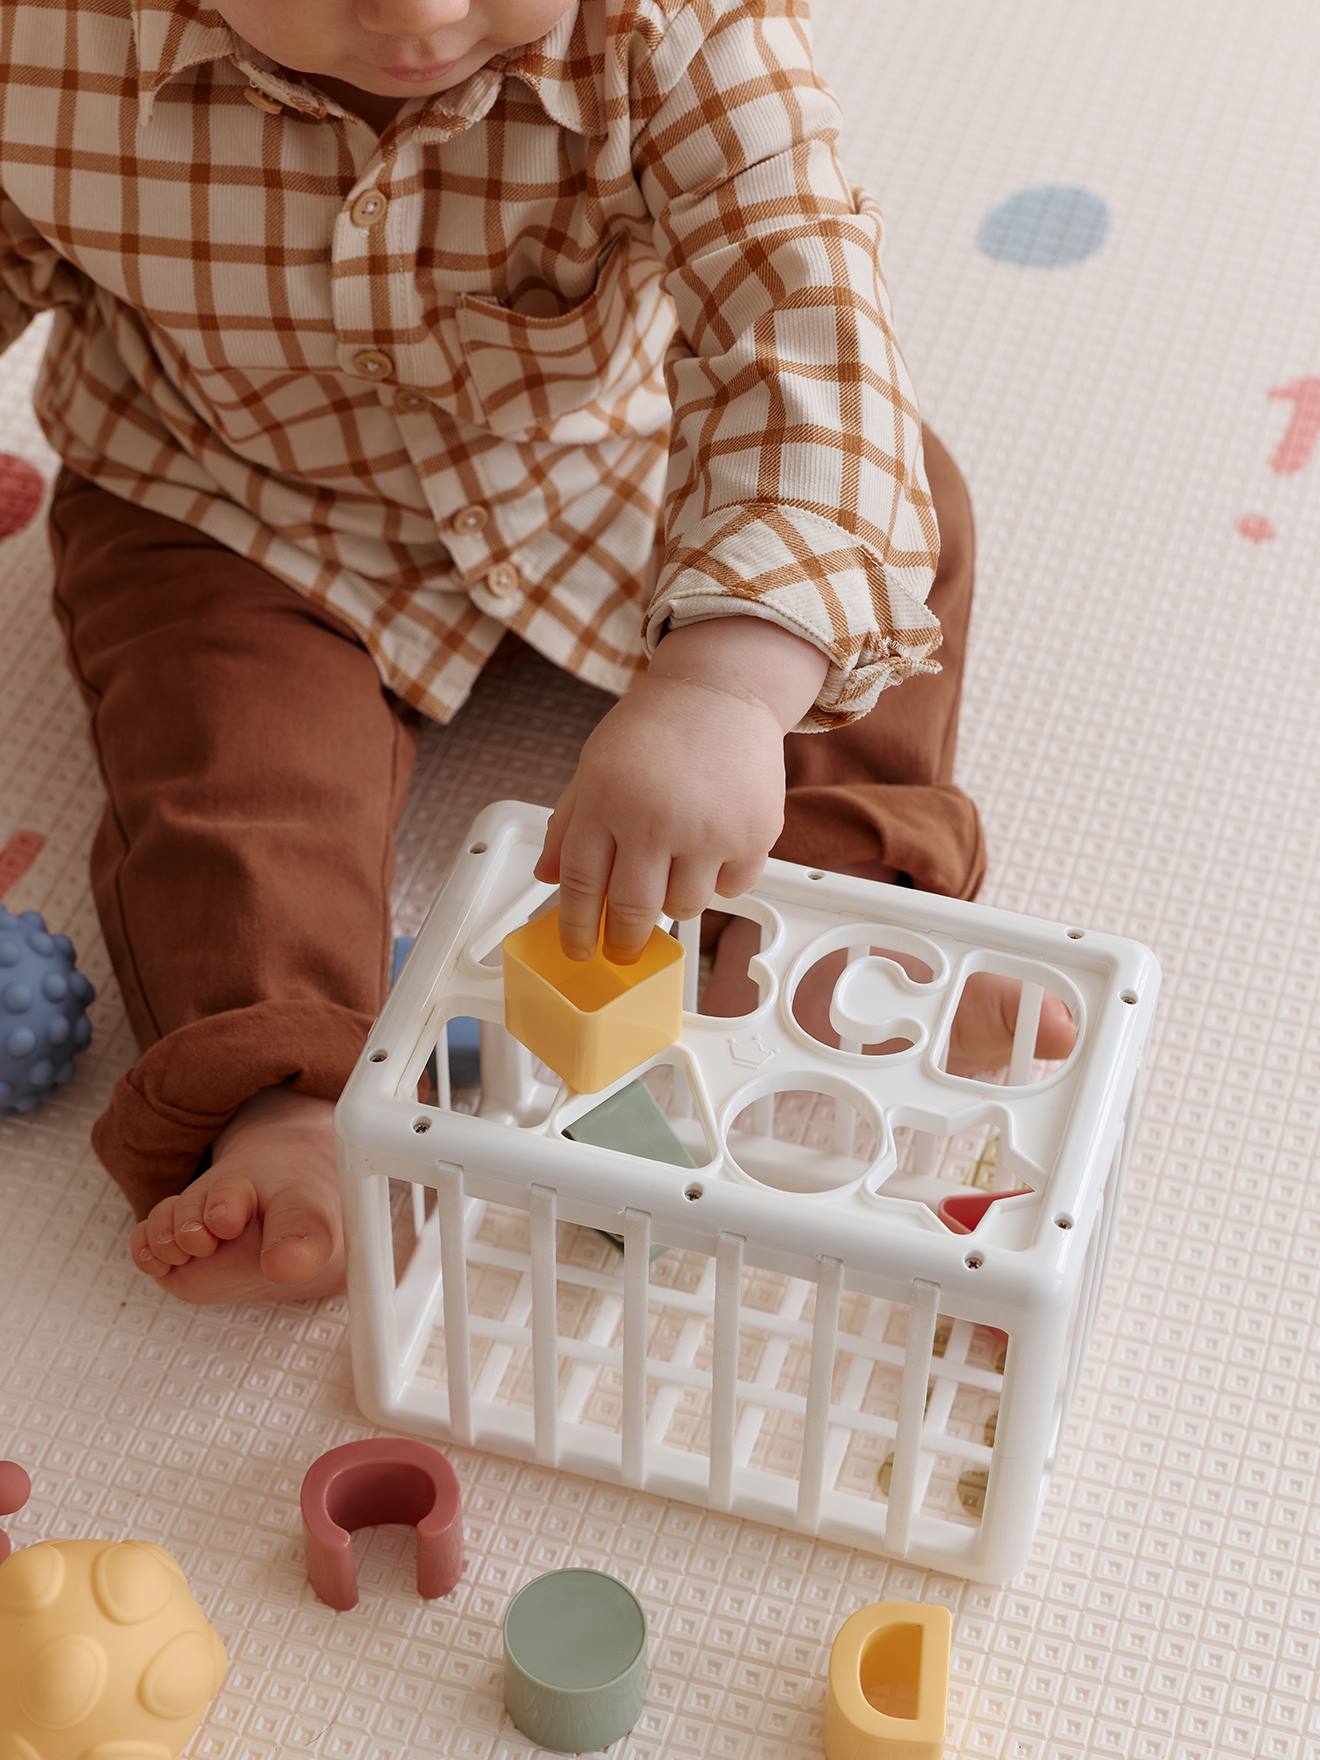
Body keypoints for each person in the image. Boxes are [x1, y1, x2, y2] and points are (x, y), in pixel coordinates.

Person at [0, 0, 1074, 1304]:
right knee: (228, 774)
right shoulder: (42, 44)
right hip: (235, 498)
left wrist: (727, 682)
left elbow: (808, 335)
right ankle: (291, 1107)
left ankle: (841, 947)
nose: (420, 12)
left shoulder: (680, 30)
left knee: (900, 496)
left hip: (603, 470)